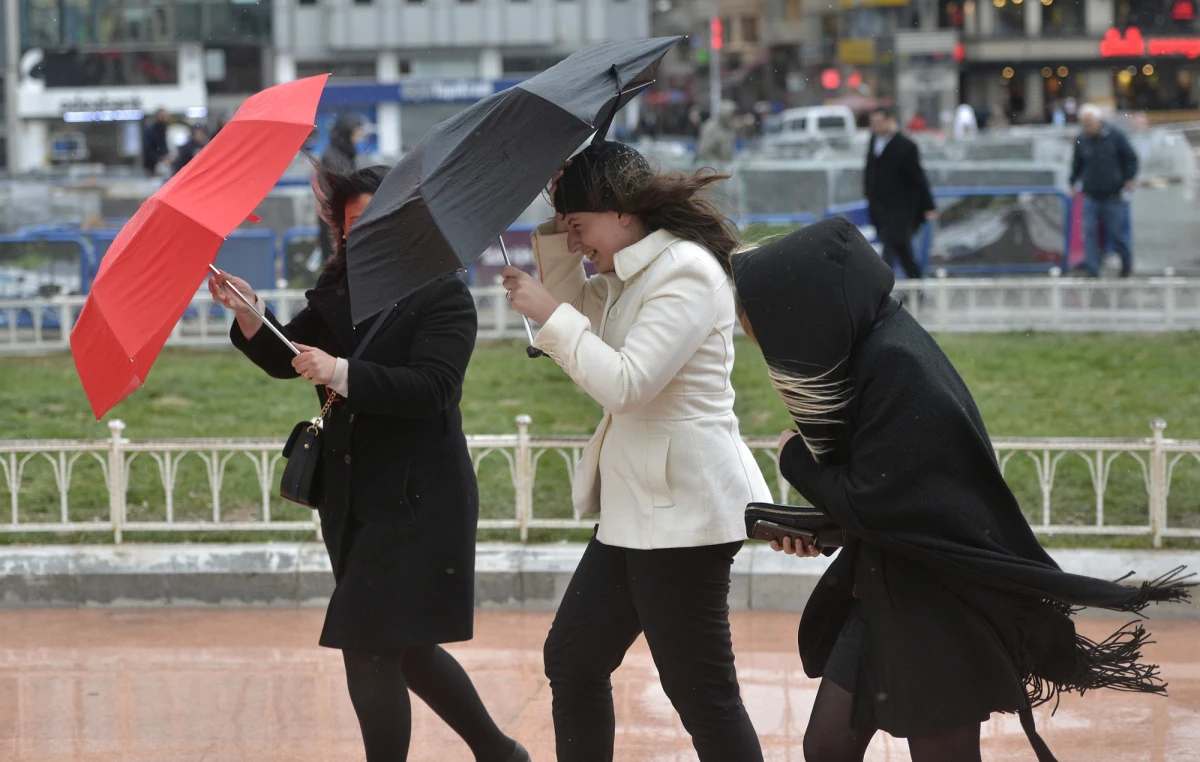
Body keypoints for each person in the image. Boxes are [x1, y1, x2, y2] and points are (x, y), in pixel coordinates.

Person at [730, 217, 1190, 762]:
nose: (779, 355)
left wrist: (794, 461)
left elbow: (876, 499)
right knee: (828, 746)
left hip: (939, 605)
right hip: (889, 588)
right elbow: (899, 500)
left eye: (773, 336)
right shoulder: (873, 348)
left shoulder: (894, 362)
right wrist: (825, 532)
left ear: (808, 314)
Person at [209, 164, 530, 762]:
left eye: (378, 218)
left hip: (418, 500)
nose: (363, 232)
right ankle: (500, 752)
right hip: (351, 495)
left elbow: (432, 388)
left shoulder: (442, 293)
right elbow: (287, 356)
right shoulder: (340, 289)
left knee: (369, 644)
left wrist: (340, 371)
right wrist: (250, 312)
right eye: (352, 222)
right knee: (406, 648)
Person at [501, 141, 772, 762]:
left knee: (702, 695)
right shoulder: (630, 271)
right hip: (637, 511)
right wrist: (558, 224)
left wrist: (552, 316)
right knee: (573, 659)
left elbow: (626, 382)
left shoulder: (685, 270)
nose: (576, 243)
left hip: (686, 512)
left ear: (622, 210)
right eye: (568, 229)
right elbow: (577, 319)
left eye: (579, 226)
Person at [864, 106, 936, 280]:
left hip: (900, 208)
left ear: (890, 120)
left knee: (890, 248)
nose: (876, 126)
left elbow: (918, 177)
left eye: (879, 122)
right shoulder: (874, 141)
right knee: (902, 251)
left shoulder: (906, 146)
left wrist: (928, 206)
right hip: (880, 207)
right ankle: (916, 285)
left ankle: (881, 286)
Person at [1070, 103, 1139, 278]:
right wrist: (1072, 182)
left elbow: (1131, 158)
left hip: (1113, 195)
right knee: (1089, 234)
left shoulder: (1115, 136)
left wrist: (1129, 178)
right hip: (1091, 194)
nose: (1087, 127)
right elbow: (1077, 164)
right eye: (1084, 124)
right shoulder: (1081, 139)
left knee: (1117, 233)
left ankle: (1126, 264)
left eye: (1090, 123)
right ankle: (1093, 269)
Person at [317, 113, 366, 265]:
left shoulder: (344, 153)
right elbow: (342, 188)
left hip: (342, 219)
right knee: (338, 263)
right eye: (357, 131)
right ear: (347, 132)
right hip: (336, 221)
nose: (359, 136)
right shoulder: (334, 157)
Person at [142, 109, 170, 177]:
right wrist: (161, 157)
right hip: (152, 165)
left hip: (165, 164)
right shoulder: (151, 131)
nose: (165, 119)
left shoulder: (167, 129)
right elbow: (148, 149)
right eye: (163, 116)